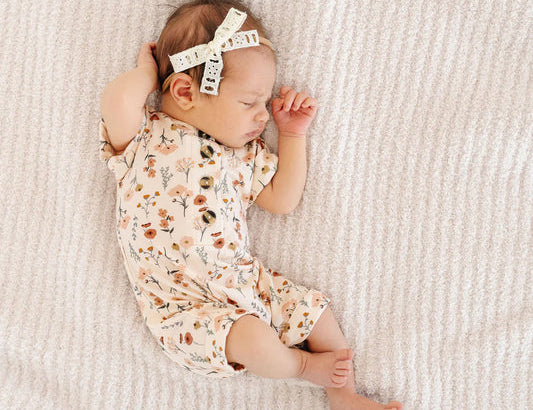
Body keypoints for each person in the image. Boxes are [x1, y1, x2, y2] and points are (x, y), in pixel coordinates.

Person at [98, 1, 402, 409]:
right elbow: (117, 100)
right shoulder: (146, 137)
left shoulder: (244, 156)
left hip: (246, 281)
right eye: (248, 103)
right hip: (184, 311)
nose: (263, 116)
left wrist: (292, 135)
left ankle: (343, 396)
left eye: (264, 102)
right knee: (255, 339)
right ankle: (301, 366)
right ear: (185, 92)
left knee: (316, 311)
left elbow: (282, 199)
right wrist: (147, 74)